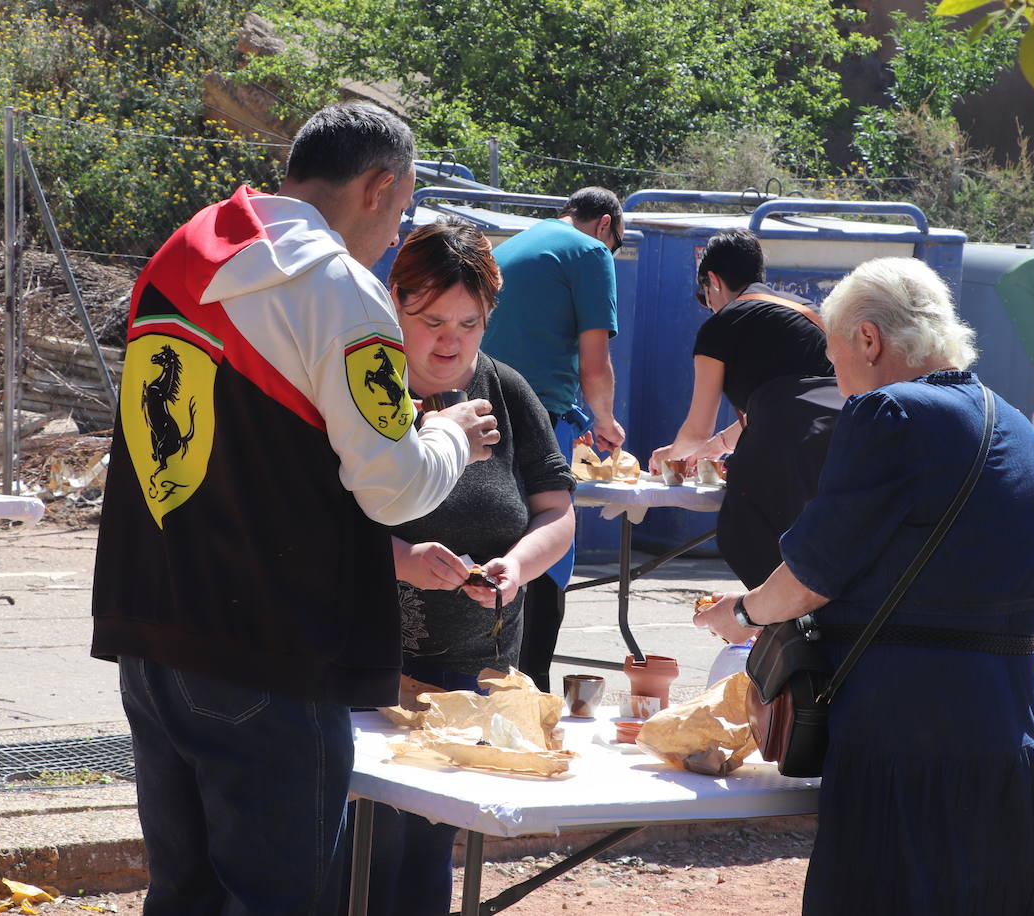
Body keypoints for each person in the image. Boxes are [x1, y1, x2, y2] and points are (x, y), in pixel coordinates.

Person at [90, 101, 501, 915]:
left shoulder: (183, 251)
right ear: (381, 187)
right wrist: (450, 434)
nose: (396, 236)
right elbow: (393, 488)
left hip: (152, 629)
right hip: (269, 649)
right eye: (405, 207)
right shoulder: (339, 289)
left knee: (183, 896)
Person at [693, 257, 1034, 915]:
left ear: (869, 341)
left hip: (904, 736)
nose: (836, 380)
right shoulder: (1017, 424)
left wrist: (742, 611)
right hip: (1011, 729)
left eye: (833, 358)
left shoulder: (889, 413)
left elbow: (813, 574)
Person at [336, 218, 576, 916]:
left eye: (470, 323)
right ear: (395, 303)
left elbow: (558, 513)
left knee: (426, 866)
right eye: (433, 319)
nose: (452, 341)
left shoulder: (507, 389)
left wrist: (517, 565)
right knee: (360, 862)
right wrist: (402, 560)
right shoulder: (363, 387)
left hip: (471, 682)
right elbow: (312, 523)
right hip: (367, 681)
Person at [481, 186, 627, 690]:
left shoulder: (512, 246)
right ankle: (534, 684)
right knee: (546, 542)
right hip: (536, 419)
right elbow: (595, 362)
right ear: (606, 225)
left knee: (491, 541)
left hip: (477, 413)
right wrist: (606, 421)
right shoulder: (590, 251)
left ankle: (486, 680)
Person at [648, 228, 841, 588]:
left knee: (763, 558)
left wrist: (670, 456)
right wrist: (722, 444)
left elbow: (696, 429)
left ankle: (775, 634)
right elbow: (795, 398)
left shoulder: (722, 325)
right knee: (828, 567)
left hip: (784, 462)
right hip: (843, 451)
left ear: (714, 282)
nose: (708, 305)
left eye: (704, 295)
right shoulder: (811, 316)